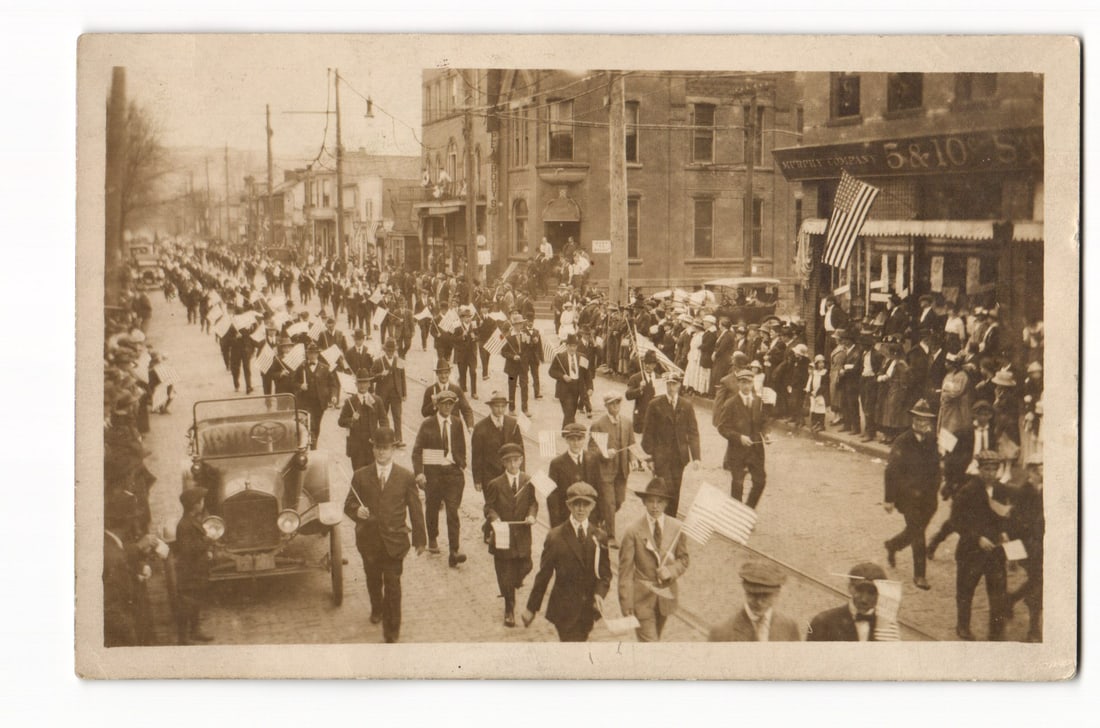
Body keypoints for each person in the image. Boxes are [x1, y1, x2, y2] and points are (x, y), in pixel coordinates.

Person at [343, 427, 427, 643]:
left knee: (392, 585)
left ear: (393, 450)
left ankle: (392, 631)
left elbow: (415, 509)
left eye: (386, 448)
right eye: (378, 448)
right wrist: (356, 512)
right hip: (369, 542)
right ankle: (376, 607)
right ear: (373, 449)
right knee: (373, 579)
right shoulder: (361, 476)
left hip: (394, 541)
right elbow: (349, 503)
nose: (382, 453)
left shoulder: (405, 477)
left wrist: (420, 539)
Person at [522, 483, 612, 642]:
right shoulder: (556, 537)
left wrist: (599, 593)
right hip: (564, 609)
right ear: (569, 506)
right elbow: (543, 575)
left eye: (586, 504)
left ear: (592, 507)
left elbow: (605, 574)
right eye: (576, 504)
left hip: (587, 610)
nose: (581, 509)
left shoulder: (599, 536)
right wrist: (531, 608)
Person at [617, 477, 690, 642]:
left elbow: (684, 559)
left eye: (660, 501)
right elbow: (625, 572)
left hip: (665, 599)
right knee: (650, 644)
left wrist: (670, 571)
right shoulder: (633, 531)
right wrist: (626, 602)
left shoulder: (677, 528)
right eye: (651, 501)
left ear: (666, 504)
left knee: (653, 642)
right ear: (644, 502)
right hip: (641, 600)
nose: (655, 506)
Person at [953, 449, 1012, 641]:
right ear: (979, 469)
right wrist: (977, 537)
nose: (990, 473)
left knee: (997, 593)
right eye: (987, 469)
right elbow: (956, 520)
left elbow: (1005, 516)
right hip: (971, 551)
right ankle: (963, 626)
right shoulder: (968, 490)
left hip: (994, 552)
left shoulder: (1002, 491)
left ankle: (996, 632)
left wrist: (1004, 533)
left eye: (994, 470)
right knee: (965, 590)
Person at [883, 398, 940, 591]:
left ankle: (892, 545)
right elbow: (891, 470)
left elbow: (936, 468)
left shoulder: (932, 440)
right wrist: (889, 499)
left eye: (924, 420)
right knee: (918, 533)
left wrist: (937, 488)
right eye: (917, 419)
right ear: (912, 420)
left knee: (915, 531)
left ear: (930, 422)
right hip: (907, 496)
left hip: (928, 498)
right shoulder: (903, 441)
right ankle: (920, 575)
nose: (920, 423)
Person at [483, 443, 538, 627]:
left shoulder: (528, 481)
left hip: (522, 534)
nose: (513, 465)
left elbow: (533, 503)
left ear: (521, 461)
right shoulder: (495, 484)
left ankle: (513, 584)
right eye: (509, 462)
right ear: (503, 463)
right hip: (503, 535)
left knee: (526, 564)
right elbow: (488, 507)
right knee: (505, 573)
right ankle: (509, 609)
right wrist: (495, 518)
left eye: (516, 460)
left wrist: (531, 515)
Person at [412, 390, 468, 568]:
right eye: (444, 404)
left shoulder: (457, 423)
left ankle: (454, 551)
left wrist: (461, 463)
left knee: (453, 511)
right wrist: (419, 473)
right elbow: (417, 451)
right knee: (433, 507)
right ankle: (433, 536)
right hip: (434, 473)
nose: (447, 407)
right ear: (437, 405)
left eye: (450, 404)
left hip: (452, 472)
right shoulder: (427, 424)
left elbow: (461, 446)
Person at [640, 371, 700, 517]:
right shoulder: (655, 405)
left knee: (676, 491)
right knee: (666, 489)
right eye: (669, 384)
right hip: (661, 457)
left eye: (674, 384)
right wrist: (650, 458)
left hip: (679, 458)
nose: (671, 387)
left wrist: (696, 457)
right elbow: (648, 433)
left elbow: (693, 432)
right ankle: (660, 519)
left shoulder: (686, 405)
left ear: (679, 385)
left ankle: (669, 521)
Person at [708, 560, 802, 642]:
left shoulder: (789, 627)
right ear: (745, 591)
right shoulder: (721, 632)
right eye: (753, 595)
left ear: (777, 593)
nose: (759, 602)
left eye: (766, 596)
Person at [587, 392, 636, 545]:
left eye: (617, 403)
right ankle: (610, 536)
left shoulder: (627, 422)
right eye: (612, 404)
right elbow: (591, 450)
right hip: (605, 471)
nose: (615, 406)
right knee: (609, 502)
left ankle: (599, 519)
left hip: (622, 470)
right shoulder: (599, 425)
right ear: (606, 406)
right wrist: (604, 453)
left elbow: (631, 444)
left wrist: (632, 459)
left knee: (619, 500)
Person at [716, 369, 768, 508]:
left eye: (749, 382)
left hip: (756, 451)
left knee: (760, 481)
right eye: (743, 382)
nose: (746, 386)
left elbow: (763, 421)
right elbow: (722, 427)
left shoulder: (757, 401)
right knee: (738, 484)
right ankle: (736, 515)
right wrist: (739, 437)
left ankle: (748, 510)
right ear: (738, 384)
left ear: (752, 384)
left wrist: (766, 433)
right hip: (737, 451)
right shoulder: (731, 403)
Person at [1006, 453, 1044, 642]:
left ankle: (1010, 599)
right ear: (1030, 471)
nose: (1041, 472)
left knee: (1038, 583)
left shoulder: (1048, 491)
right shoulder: (1023, 493)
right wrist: (1013, 556)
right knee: (1038, 585)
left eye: (1043, 468)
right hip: (1029, 549)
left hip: (1044, 548)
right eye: (1037, 469)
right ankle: (1033, 629)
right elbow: (1012, 526)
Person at [173, 486, 215, 645]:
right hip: (189, 572)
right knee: (186, 605)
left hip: (196, 570)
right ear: (195, 505)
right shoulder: (184, 525)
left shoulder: (191, 521)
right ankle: (183, 638)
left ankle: (195, 630)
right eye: (201, 501)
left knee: (195, 601)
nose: (203, 503)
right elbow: (187, 550)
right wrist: (207, 540)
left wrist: (206, 551)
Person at [807, 562, 888, 641]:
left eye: (871, 593)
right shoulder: (823, 623)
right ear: (850, 588)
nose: (864, 599)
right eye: (859, 590)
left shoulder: (886, 627)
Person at [547, 422, 604, 529]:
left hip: (589, 517)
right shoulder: (557, 464)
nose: (576, 443)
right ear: (567, 440)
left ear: (584, 440)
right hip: (566, 518)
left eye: (579, 439)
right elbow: (552, 497)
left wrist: (600, 516)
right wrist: (556, 525)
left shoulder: (593, 459)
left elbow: (599, 489)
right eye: (572, 439)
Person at [471, 391, 525, 496]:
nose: (500, 410)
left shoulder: (512, 423)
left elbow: (520, 450)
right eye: (497, 406)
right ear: (490, 407)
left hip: (510, 473)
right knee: (493, 507)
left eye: (503, 406)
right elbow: (476, 455)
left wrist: (521, 472)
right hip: (489, 476)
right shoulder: (480, 427)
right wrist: (477, 479)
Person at [548, 333, 593, 428]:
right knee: (568, 411)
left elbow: (587, 375)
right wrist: (562, 376)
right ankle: (570, 432)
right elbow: (551, 371)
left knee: (571, 412)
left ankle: (565, 431)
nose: (572, 349)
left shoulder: (582, 357)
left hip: (577, 389)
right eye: (570, 346)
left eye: (574, 346)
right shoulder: (560, 357)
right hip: (564, 388)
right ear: (566, 346)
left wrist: (590, 388)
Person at [337, 369, 379, 471]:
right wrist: (352, 419)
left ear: (369, 384)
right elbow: (341, 421)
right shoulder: (350, 402)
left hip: (372, 446)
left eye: (365, 382)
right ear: (356, 384)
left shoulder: (376, 400)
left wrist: (381, 438)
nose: (362, 385)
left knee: (372, 475)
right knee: (358, 475)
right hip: (356, 447)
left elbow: (383, 420)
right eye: (360, 382)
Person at [298, 343, 335, 449]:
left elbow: (332, 384)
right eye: (310, 353)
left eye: (314, 353)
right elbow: (293, 382)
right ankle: (307, 445)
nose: (312, 355)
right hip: (305, 402)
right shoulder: (302, 367)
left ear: (318, 354)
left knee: (316, 425)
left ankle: (314, 444)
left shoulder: (325, 368)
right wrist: (300, 385)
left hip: (319, 403)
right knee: (310, 423)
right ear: (307, 354)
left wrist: (333, 396)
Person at [371, 338, 407, 447]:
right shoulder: (378, 361)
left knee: (397, 416)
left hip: (396, 394)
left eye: (392, 351)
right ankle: (384, 439)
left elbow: (402, 378)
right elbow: (371, 376)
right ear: (385, 350)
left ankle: (398, 439)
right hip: (383, 395)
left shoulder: (399, 361)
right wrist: (380, 374)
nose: (390, 353)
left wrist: (404, 393)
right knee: (383, 416)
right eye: (388, 350)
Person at [421, 358, 475, 429]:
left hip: (454, 428)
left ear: (449, 373)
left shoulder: (456, 390)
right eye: (441, 373)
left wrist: (470, 426)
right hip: (436, 429)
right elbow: (424, 413)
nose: (443, 376)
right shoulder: (430, 390)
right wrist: (433, 404)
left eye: (446, 373)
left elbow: (466, 410)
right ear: (437, 374)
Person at [625, 350, 659, 435]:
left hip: (656, 419)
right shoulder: (636, 378)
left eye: (650, 363)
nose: (647, 365)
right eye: (645, 363)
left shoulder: (659, 379)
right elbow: (628, 395)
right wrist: (639, 389)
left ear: (654, 365)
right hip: (640, 418)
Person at [453, 306, 480, 399]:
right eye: (466, 317)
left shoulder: (474, 325)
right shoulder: (458, 327)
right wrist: (462, 336)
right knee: (462, 373)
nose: (468, 318)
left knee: (473, 372)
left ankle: (474, 392)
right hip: (462, 354)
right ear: (463, 318)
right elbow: (454, 340)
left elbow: (479, 336)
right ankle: (462, 390)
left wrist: (475, 337)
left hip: (472, 354)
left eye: (469, 317)